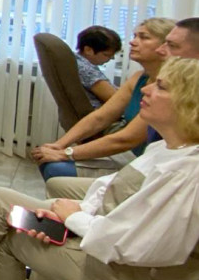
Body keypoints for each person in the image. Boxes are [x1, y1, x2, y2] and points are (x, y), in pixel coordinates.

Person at [0, 56, 199, 280]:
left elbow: (137, 246)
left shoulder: (186, 172)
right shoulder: (165, 148)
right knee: (7, 216)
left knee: (6, 230)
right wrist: (74, 214)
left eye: (161, 86)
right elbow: (113, 194)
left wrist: (74, 219)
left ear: (189, 104)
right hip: (108, 242)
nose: (146, 90)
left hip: (137, 279)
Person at [31, 17, 173, 180]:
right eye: (134, 36)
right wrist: (58, 145)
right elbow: (100, 117)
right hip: (131, 157)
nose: (133, 42)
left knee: (56, 168)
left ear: (166, 46)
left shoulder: (170, 86)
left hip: (148, 167)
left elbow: (127, 139)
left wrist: (66, 153)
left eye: (144, 37)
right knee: (50, 162)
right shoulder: (138, 78)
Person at [74, 25, 122, 108]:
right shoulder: (85, 69)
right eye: (107, 55)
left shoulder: (75, 60)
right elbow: (116, 99)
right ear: (88, 50)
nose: (112, 58)